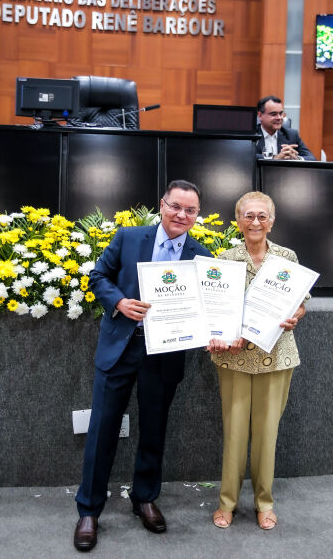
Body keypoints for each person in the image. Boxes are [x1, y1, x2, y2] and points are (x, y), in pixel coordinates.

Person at [74, 180, 212, 551]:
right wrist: (119, 302)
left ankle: (145, 498)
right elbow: (97, 277)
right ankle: (89, 510)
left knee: (154, 430)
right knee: (102, 430)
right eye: (175, 206)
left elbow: (210, 306)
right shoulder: (129, 237)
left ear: (197, 215)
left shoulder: (202, 255)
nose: (181, 215)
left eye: (190, 210)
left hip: (164, 355)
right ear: (161, 205)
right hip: (121, 347)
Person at [207, 191, 308, 531]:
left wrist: (297, 314)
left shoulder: (286, 257)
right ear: (238, 221)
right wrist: (218, 332)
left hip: (276, 356)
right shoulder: (225, 257)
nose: (255, 222)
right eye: (248, 216)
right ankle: (227, 503)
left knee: (267, 436)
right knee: (234, 434)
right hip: (234, 358)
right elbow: (216, 307)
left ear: (272, 221)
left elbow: (300, 302)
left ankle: (265, 503)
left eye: (262, 216)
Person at [256, 96, 316, 161]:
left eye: (281, 113)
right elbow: (246, 157)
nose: (279, 118)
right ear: (260, 116)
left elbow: (312, 158)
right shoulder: (252, 135)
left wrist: (296, 158)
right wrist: (275, 158)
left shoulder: (292, 135)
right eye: (274, 114)